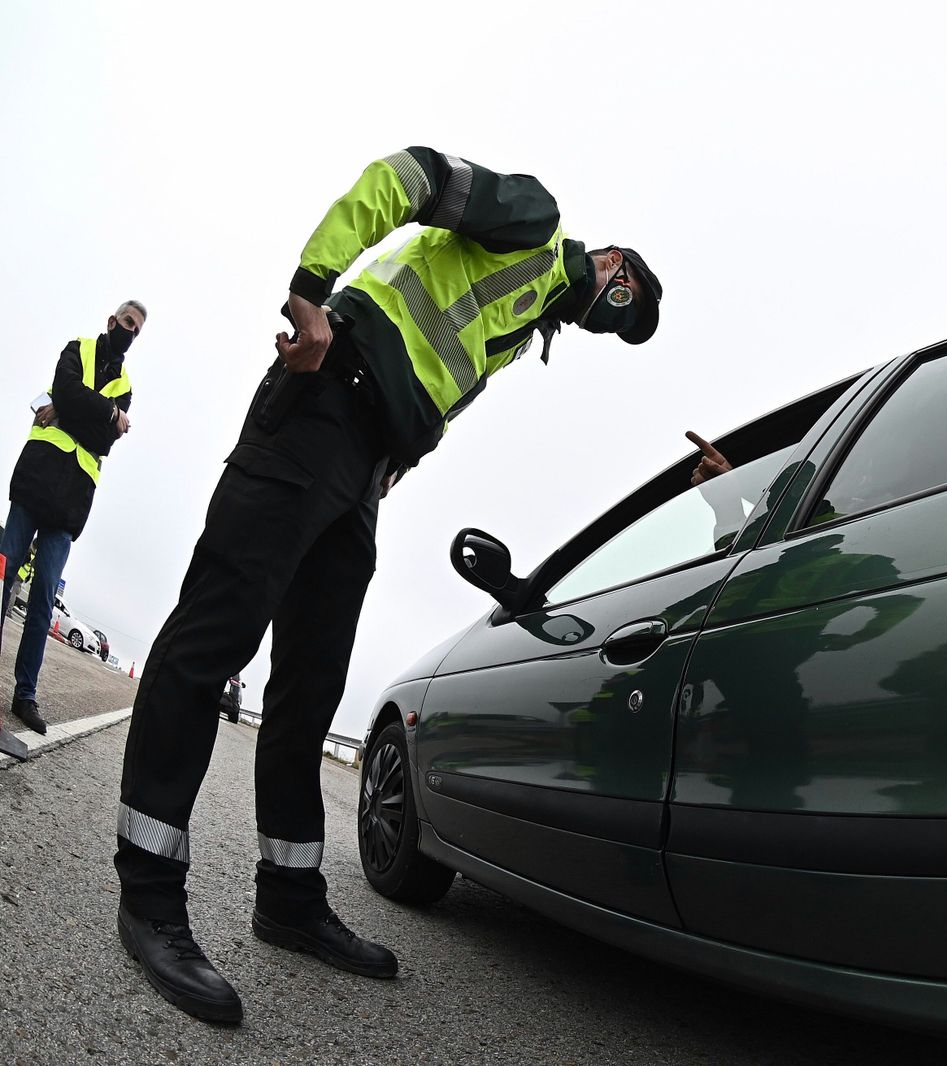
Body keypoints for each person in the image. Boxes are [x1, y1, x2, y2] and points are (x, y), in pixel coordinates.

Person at [114, 147, 663, 1024]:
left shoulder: (527, 329)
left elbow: (438, 379)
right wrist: (311, 287)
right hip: (323, 397)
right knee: (213, 639)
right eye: (616, 304)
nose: (602, 317)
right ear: (611, 264)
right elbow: (407, 177)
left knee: (311, 686)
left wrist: (392, 466)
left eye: (612, 327)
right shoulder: (535, 218)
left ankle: (289, 898)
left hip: (364, 465)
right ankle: (147, 893)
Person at [0, 302, 142, 739]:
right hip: (37, 477)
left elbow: (102, 440)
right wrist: (102, 413)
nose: (128, 331)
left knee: (43, 599)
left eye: (136, 329)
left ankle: (25, 695)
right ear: (110, 321)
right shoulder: (76, 348)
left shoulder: (127, 387)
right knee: (3, 578)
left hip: (71, 502)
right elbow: (65, 389)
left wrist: (69, 408)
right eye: (125, 322)